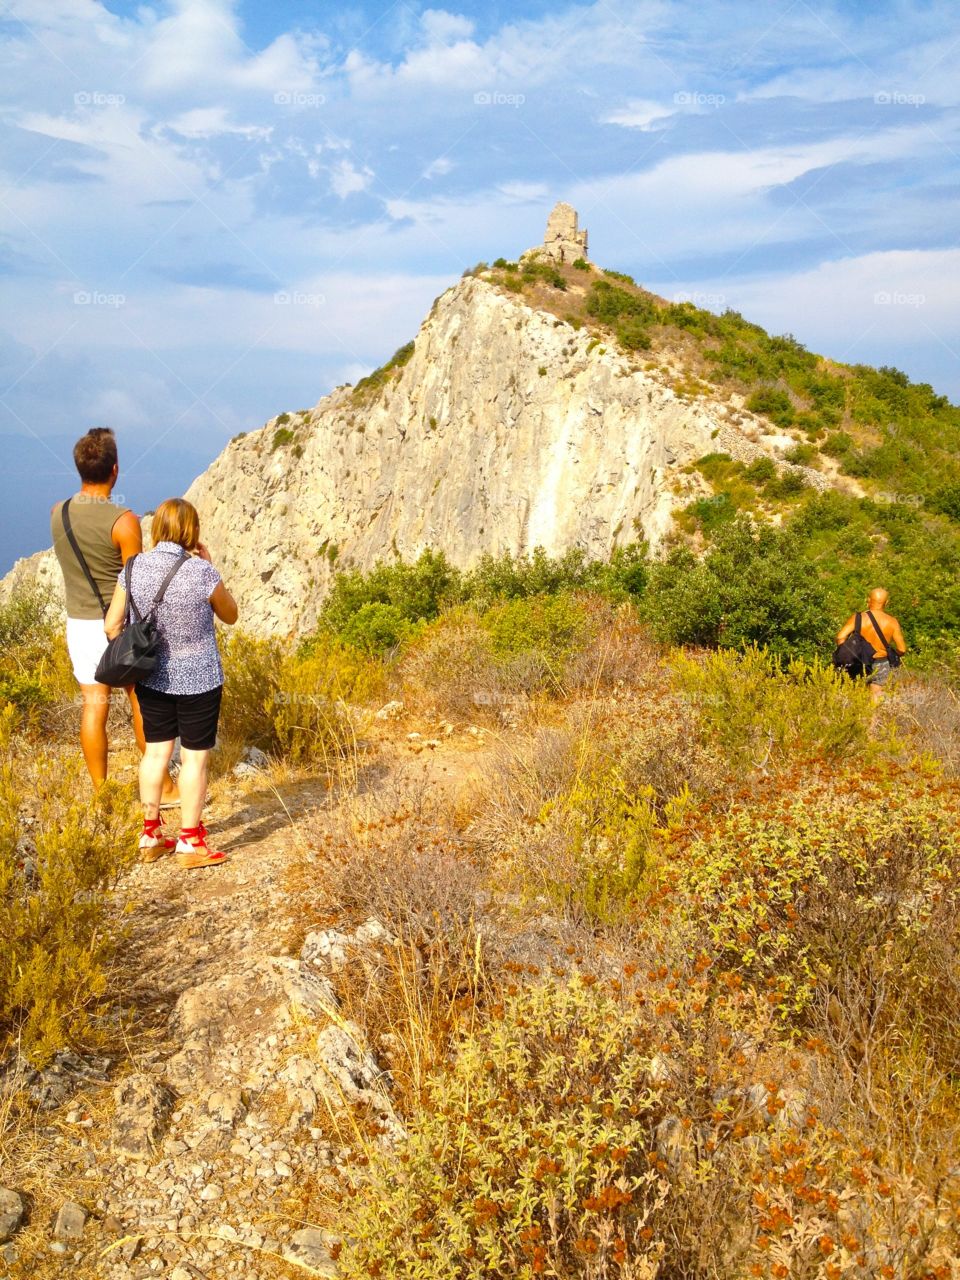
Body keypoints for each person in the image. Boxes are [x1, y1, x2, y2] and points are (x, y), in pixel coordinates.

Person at [104, 497, 238, 869]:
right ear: (191, 532)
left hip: (152, 678)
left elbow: (112, 625)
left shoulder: (132, 569)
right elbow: (231, 615)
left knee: (156, 753)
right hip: (200, 678)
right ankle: (190, 842)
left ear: (158, 528)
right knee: (195, 758)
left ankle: (150, 835)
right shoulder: (200, 573)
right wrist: (211, 569)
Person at [51, 428, 177, 801]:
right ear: (115, 470)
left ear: (79, 468)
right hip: (116, 626)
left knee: (94, 705)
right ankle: (164, 787)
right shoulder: (124, 522)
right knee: (141, 701)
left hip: (79, 622)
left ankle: (100, 792)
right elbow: (136, 581)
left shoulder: (59, 513)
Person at [836, 588, 907, 701]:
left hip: (858, 662)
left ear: (868, 600)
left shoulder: (858, 618)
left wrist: (848, 652)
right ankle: (874, 718)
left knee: (854, 696)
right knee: (877, 699)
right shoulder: (892, 622)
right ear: (886, 602)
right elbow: (902, 649)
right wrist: (892, 653)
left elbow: (840, 637)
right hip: (881, 663)